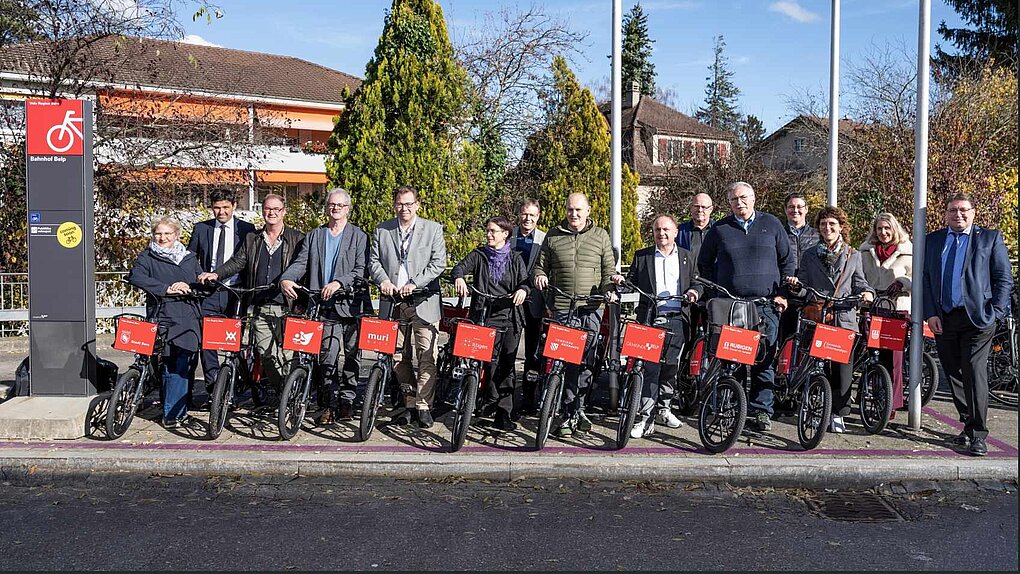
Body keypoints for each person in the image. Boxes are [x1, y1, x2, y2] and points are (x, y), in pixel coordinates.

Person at [697, 181, 794, 432]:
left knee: (764, 360)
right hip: (733, 305)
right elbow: (704, 264)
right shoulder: (719, 229)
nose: (739, 203)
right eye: (733, 200)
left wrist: (783, 294)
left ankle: (762, 411)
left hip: (766, 306)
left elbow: (787, 262)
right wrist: (713, 293)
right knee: (734, 358)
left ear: (753, 198)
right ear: (728, 203)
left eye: (743, 198)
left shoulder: (772, 224)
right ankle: (734, 408)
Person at [922, 192, 1013, 456]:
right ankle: (967, 421)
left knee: (973, 369)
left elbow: (1003, 279)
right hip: (945, 317)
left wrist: (995, 312)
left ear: (973, 212)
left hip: (978, 318)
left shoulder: (989, 238)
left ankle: (977, 434)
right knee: (952, 371)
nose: (958, 214)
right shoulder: (934, 240)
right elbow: (927, 279)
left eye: (963, 210)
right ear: (946, 213)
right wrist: (931, 313)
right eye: (952, 210)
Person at [199, 194, 304, 405]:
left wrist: (304, 301)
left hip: (289, 306)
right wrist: (217, 274)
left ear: (284, 211)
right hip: (260, 306)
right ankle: (283, 394)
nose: (271, 213)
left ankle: (291, 398)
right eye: (267, 209)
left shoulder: (298, 238)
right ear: (262, 211)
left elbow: (305, 267)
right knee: (267, 355)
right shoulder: (253, 239)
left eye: (276, 209)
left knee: (288, 357)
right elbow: (237, 262)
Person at [533, 192, 622, 438]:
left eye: (579, 210)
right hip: (563, 306)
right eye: (570, 209)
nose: (574, 214)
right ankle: (567, 411)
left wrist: (609, 292)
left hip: (592, 308)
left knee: (587, 361)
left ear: (588, 211)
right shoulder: (553, 235)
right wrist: (540, 275)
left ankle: (579, 409)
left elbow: (607, 271)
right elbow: (540, 266)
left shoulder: (600, 236)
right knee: (566, 360)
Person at [280, 188, 371, 424]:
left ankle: (348, 401)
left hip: (350, 305)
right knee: (327, 356)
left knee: (352, 355)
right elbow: (301, 262)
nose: (335, 209)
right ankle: (328, 404)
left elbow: (361, 270)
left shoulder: (359, 236)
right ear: (327, 207)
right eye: (332, 205)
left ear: (348, 209)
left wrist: (340, 282)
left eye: (340, 205)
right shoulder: (315, 236)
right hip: (323, 305)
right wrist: (287, 278)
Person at [787, 206, 874, 433]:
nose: (827, 228)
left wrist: (867, 293)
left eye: (832, 224)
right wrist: (797, 289)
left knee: (842, 370)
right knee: (817, 367)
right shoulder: (809, 255)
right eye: (824, 224)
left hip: (842, 318)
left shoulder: (852, 255)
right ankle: (818, 409)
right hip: (818, 316)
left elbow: (860, 282)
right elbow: (805, 285)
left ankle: (839, 413)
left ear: (841, 228)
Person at [369, 185, 447, 429]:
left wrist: (415, 283)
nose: (405, 208)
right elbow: (373, 261)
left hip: (423, 300)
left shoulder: (433, 229)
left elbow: (438, 263)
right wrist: (383, 280)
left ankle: (424, 405)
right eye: (400, 204)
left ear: (417, 204)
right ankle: (410, 401)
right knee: (397, 356)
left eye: (409, 204)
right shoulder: (383, 229)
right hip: (392, 301)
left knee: (427, 356)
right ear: (395, 205)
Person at [623, 214, 701, 438]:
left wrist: (694, 292)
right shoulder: (643, 256)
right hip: (650, 319)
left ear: (676, 232)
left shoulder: (687, 257)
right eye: (657, 230)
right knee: (649, 369)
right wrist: (620, 284)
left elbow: (697, 282)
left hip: (678, 318)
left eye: (666, 229)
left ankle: (664, 409)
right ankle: (645, 417)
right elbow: (631, 283)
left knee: (670, 368)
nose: (661, 233)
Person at [451, 216, 531, 431]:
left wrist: (523, 290)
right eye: (487, 230)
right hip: (483, 316)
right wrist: (459, 278)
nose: (489, 235)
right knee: (481, 361)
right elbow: (459, 268)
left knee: (505, 364)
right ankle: (478, 402)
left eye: (493, 231)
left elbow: (526, 281)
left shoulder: (515, 259)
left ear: (505, 234)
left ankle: (503, 412)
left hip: (509, 318)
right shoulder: (479, 255)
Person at [127, 217, 203, 428]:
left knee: (187, 363)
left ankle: (180, 407)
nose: (162, 238)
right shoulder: (148, 257)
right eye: (159, 234)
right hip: (164, 315)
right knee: (174, 364)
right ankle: (172, 415)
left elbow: (199, 282)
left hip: (189, 315)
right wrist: (167, 288)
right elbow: (136, 277)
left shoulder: (189, 257)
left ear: (177, 235)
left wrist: (192, 285)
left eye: (167, 234)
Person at [187, 189, 256, 408]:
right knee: (207, 342)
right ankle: (213, 389)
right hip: (208, 293)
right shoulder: (202, 228)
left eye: (226, 207)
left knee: (232, 342)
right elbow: (190, 257)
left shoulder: (247, 230)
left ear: (234, 206)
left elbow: (247, 261)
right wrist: (199, 277)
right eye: (217, 207)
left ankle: (232, 388)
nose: (221, 212)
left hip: (235, 293)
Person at [860, 213, 913, 412]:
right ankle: (874, 396)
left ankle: (892, 403)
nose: (883, 233)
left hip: (897, 308)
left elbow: (917, 278)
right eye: (879, 229)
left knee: (894, 359)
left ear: (894, 229)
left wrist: (903, 283)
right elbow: (859, 277)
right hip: (873, 307)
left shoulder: (908, 251)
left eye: (887, 228)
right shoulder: (866, 251)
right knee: (874, 356)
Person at [511, 198, 546, 418]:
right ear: (519, 214)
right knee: (509, 350)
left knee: (533, 354)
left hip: (535, 303)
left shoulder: (544, 239)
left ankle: (529, 397)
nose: (528, 219)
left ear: (538, 216)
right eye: (525, 214)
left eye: (532, 215)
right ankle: (504, 397)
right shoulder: (508, 237)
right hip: (512, 302)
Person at [783, 191, 820, 274]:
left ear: (806, 209)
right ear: (785, 210)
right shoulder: (779, 235)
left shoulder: (818, 236)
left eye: (799, 207)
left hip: (811, 283)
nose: (795, 210)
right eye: (791, 207)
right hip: (785, 283)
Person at [677, 192, 714, 262]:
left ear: (711, 209)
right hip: (689, 273)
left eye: (704, 207)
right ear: (691, 207)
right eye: (696, 206)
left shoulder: (718, 230)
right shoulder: (679, 231)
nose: (700, 210)